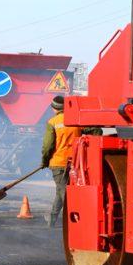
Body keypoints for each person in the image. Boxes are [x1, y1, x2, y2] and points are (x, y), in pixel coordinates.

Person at [41, 95, 81, 228]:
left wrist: (44, 161)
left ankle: (75, 222)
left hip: (59, 163)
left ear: (54, 108)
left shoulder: (52, 122)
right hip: (76, 162)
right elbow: (95, 131)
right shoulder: (77, 120)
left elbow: (48, 146)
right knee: (61, 191)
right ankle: (52, 220)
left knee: (64, 192)